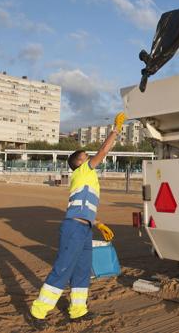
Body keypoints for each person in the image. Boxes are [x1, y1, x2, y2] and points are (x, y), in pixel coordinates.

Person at [27, 112, 126, 329]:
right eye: (85, 155)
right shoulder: (83, 171)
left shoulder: (87, 178)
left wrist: (97, 223)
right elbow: (104, 151)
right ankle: (38, 311)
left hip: (84, 229)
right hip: (73, 228)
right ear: (79, 162)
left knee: (82, 272)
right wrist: (116, 130)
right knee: (63, 269)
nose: (90, 157)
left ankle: (78, 311)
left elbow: (84, 207)